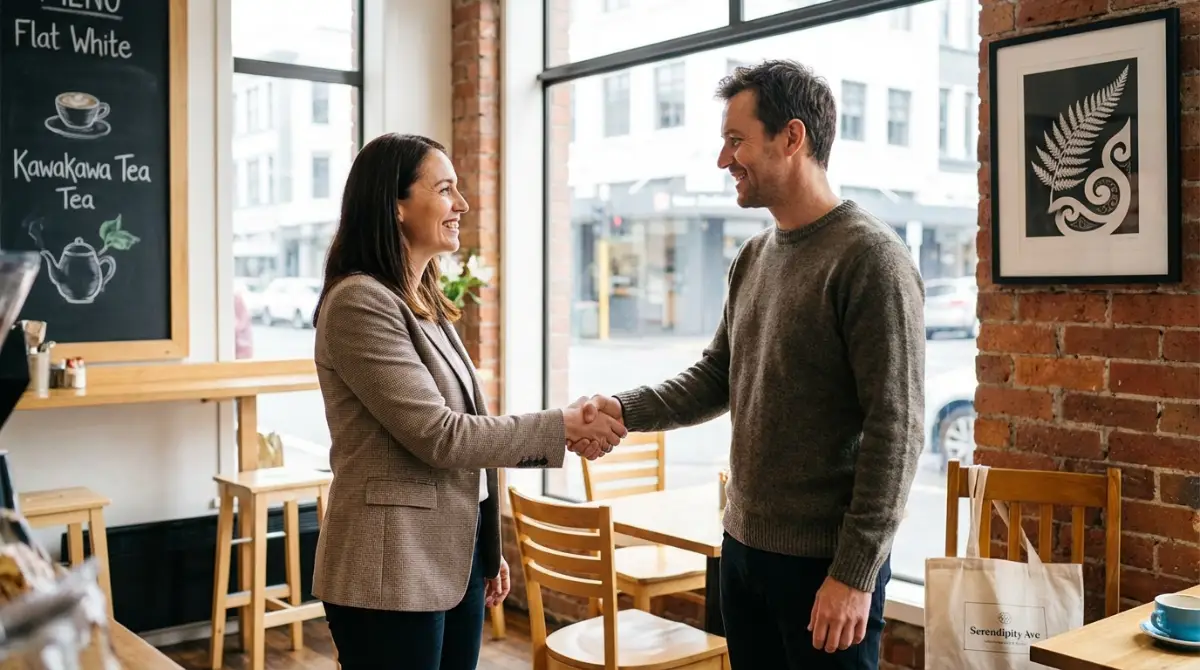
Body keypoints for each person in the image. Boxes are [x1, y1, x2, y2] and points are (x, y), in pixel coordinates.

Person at [577, 60, 925, 670]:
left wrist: (854, 574)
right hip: (742, 551)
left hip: (824, 570)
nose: (722, 160)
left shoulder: (871, 259)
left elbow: (896, 432)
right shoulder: (753, 255)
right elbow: (718, 376)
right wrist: (622, 409)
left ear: (792, 138)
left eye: (735, 141)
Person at [310, 132, 625, 670]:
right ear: (397, 206)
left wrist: (485, 549)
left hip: (445, 564)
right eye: (446, 189)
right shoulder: (359, 303)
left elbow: (465, 432)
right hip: (389, 573)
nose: (462, 205)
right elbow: (442, 436)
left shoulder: (421, 299)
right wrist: (564, 426)